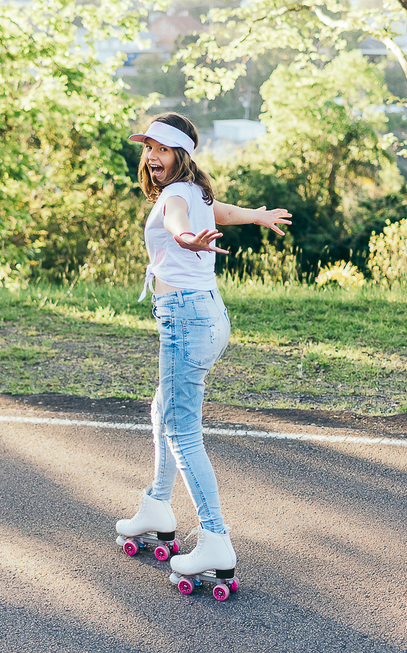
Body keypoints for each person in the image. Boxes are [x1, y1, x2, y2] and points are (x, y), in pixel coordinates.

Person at [115, 112, 291, 586]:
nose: (151, 156)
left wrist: (186, 239)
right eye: (147, 147)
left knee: (181, 431)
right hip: (208, 317)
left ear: (181, 155)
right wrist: (255, 215)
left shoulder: (176, 196)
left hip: (185, 319)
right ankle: (156, 505)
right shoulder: (195, 192)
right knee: (163, 409)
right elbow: (219, 211)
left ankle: (214, 536)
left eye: (161, 148)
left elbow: (179, 225)